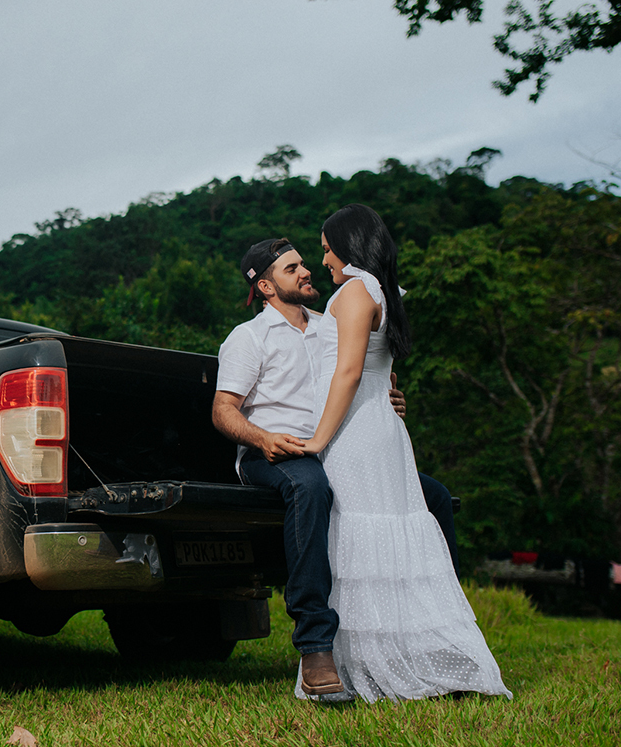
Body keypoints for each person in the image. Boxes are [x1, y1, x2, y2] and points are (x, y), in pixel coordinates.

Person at [211, 236, 460, 700]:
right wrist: (263, 439)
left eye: (304, 263)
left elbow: (362, 375)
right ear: (265, 286)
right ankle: (315, 647)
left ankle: (439, 633)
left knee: (436, 497)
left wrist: (388, 399)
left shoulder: (332, 323)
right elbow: (223, 410)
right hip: (278, 453)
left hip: (337, 447)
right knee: (312, 489)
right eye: (291, 269)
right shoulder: (249, 338)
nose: (306, 271)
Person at [296, 203, 511, 702]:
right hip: (377, 428)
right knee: (386, 541)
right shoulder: (383, 290)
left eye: (326, 249)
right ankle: (401, 662)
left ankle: (387, 668)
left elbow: (349, 372)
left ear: (348, 245)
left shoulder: (356, 290)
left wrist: (319, 440)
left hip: (355, 434)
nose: (323, 260)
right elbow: (376, 372)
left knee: (361, 537)